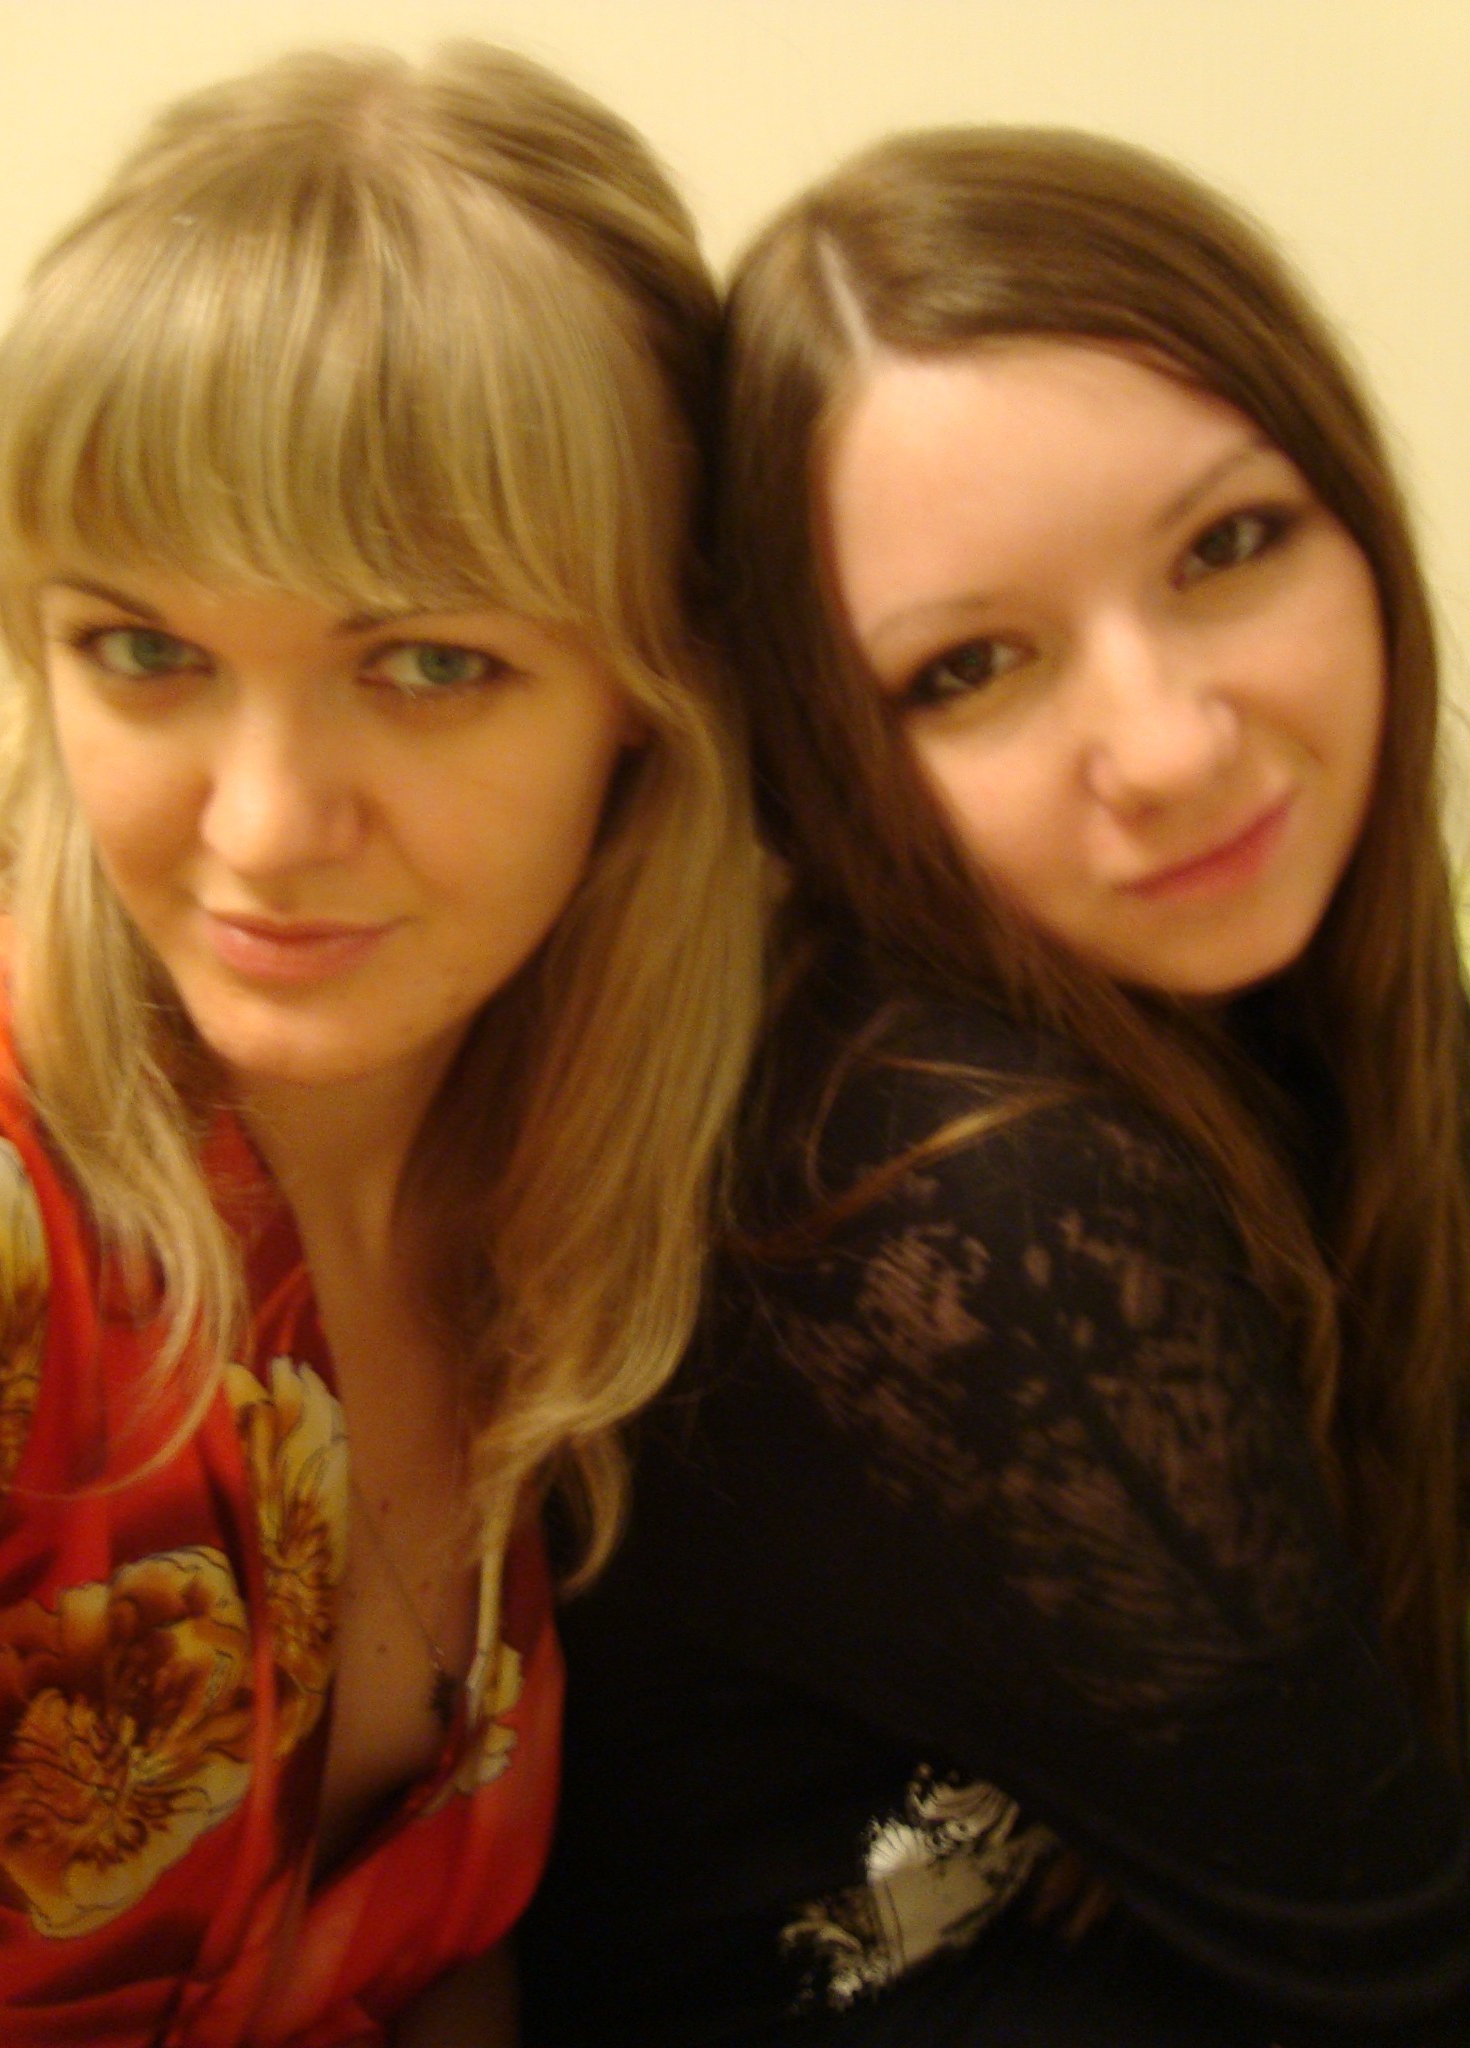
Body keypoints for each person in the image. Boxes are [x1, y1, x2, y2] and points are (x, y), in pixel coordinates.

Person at [519, 128, 1470, 2045]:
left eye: (1227, 547)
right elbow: (1401, 1985)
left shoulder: (1255, 1009)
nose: (1169, 746)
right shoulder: (963, 1182)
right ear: (817, 759)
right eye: (968, 670)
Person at [0, 42, 760, 2045]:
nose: (263, 826)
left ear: (650, 695)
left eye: (428, 663)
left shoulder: (595, 1207)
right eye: (146, 648)